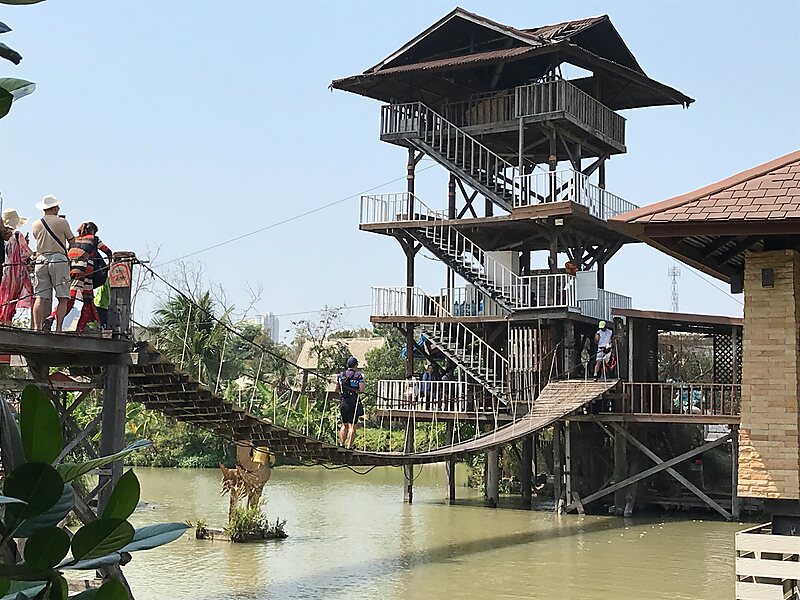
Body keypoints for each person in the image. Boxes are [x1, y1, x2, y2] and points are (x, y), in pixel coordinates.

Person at [49, 222, 113, 333]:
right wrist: (109, 265)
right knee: (87, 300)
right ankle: (80, 328)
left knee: (70, 297)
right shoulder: (94, 239)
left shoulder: (74, 240)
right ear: (93, 231)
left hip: (71, 270)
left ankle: (52, 317)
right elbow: (107, 251)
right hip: (86, 272)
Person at [31, 195, 74, 332]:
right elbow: (72, 241)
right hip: (58, 259)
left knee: (40, 297)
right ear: (54, 207)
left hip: (40, 260)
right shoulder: (62, 222)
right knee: (62, 296)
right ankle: (59, 328)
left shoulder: (35, 224)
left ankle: (37, 328)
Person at [0, 209, 34, 326]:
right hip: (16, 272)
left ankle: (4, 322)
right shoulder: (17, 235)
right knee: (13, 298)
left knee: (4, 298)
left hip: (5, 271)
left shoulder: (4, 237)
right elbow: (26, 254)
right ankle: (8, 323)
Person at [337, 356, 365, 449]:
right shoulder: (358, 375)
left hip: (343, 402)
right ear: (355, 365)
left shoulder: (341, 375)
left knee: (344, 424)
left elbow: (336, 389)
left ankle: (341, 444)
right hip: (353, 402)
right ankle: (349, 446)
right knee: (352, 426)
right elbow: (362, 389)